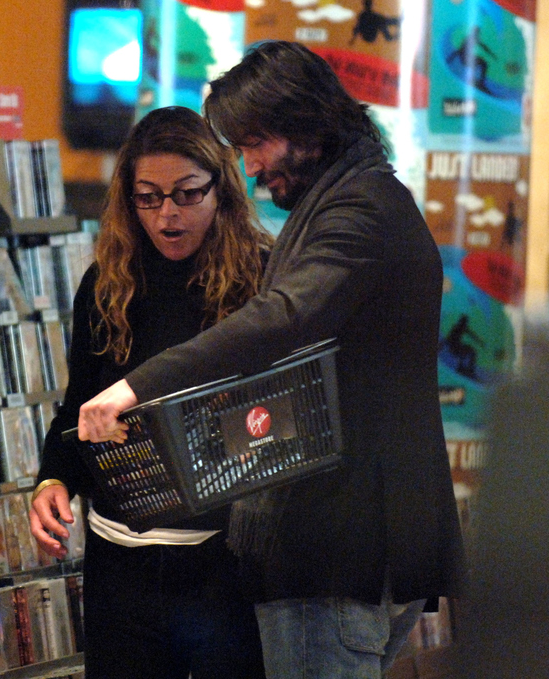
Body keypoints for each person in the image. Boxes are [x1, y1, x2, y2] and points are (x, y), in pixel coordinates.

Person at [77, 41, 466, 678]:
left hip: (334, 549)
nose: (251, 168)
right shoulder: (355, 201)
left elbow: (282, 320)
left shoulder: (361, 210)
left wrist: (137, 387)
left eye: (257, 141)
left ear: (306, 121)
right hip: (348, 548)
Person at [29, 106, 272, 679]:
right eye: (149, 196)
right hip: (120, 561)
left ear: (221, 189)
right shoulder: (108, 280)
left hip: (222, 560)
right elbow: (78, 407)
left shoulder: (260, 277)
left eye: (187, 194)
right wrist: (52, 479)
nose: (167, 215)